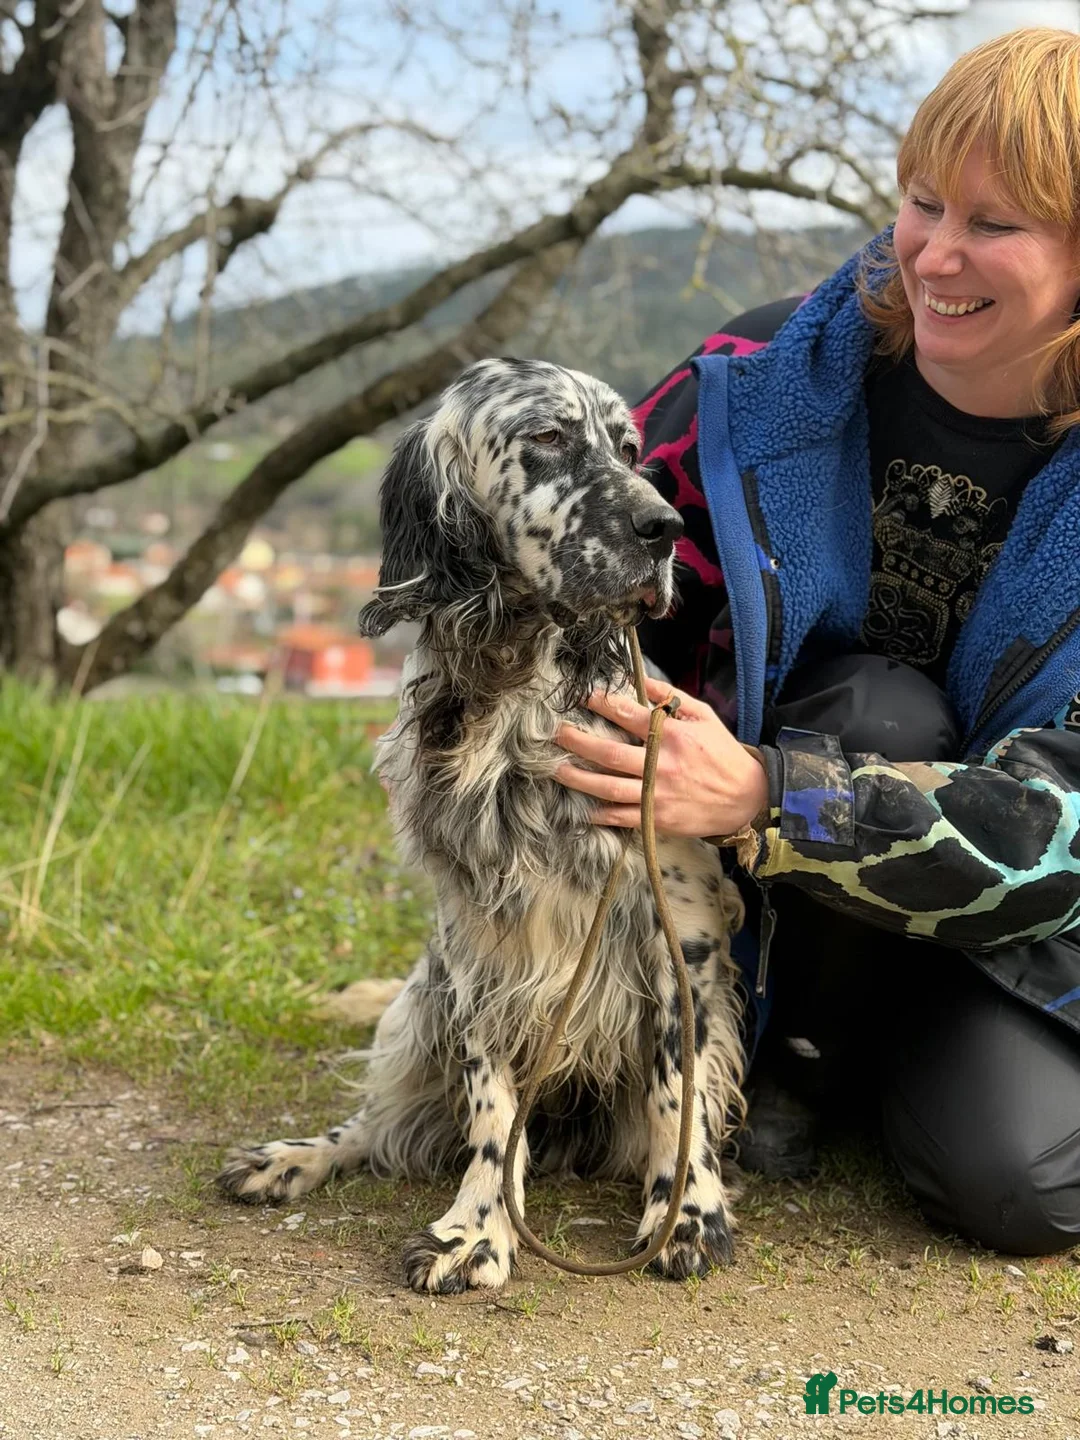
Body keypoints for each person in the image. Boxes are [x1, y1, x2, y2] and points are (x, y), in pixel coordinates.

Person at [553, 27, 1080, 1257]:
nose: (937, 254)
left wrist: (765, 794)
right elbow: (586, 601)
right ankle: (793, 1060)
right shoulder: (757, 387)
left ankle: (904, 1055)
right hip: (748, 915)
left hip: (1016, 921)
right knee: (878, 707)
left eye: (995, 225)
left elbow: (1066, 827)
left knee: (1020, 1190)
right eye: (922, 201)